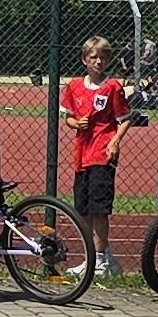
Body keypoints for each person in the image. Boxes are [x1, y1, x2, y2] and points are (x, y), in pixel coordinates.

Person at [61, 34, 139, 240]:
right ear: (84, 59)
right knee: (83, 208)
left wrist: (114, 141)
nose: (98, 61)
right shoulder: (74, 86)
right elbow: (69, 117)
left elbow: (126, 118)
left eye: (103, 57)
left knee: (99, 208)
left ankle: (102, 255)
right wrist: (76, 123)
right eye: (94, 57)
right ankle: (89, 257)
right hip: (82, 154)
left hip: (102, 153)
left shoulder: (112, 86)